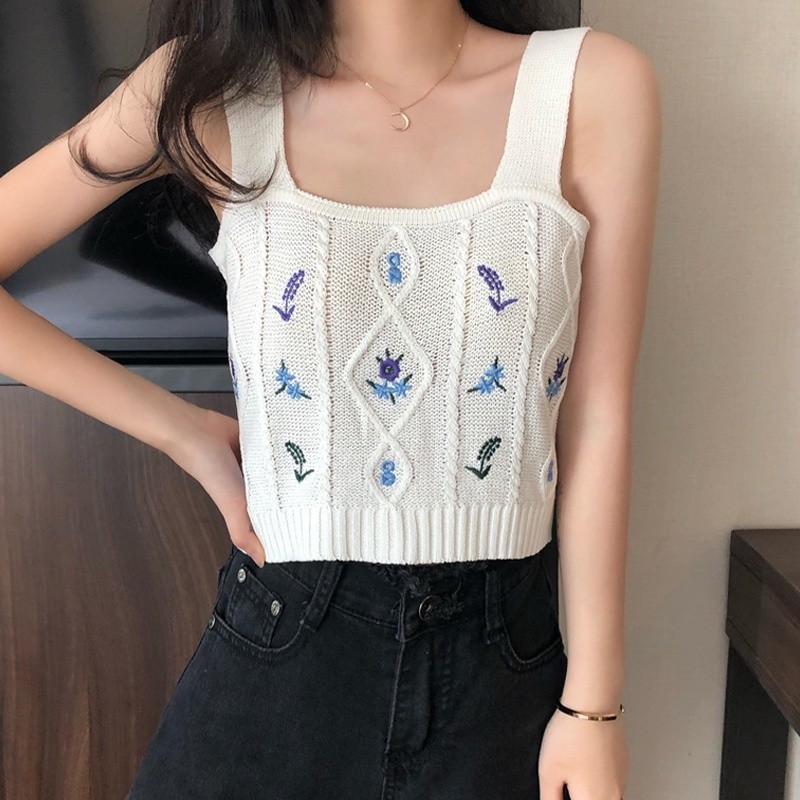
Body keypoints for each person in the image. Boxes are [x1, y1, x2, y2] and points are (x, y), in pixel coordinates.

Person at [0, 1, 661, 798]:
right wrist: (180, 430)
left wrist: (593, 706)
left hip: (502, 675)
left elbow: (599, 415)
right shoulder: (208, 90)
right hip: (279, 652)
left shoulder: (592, 85)